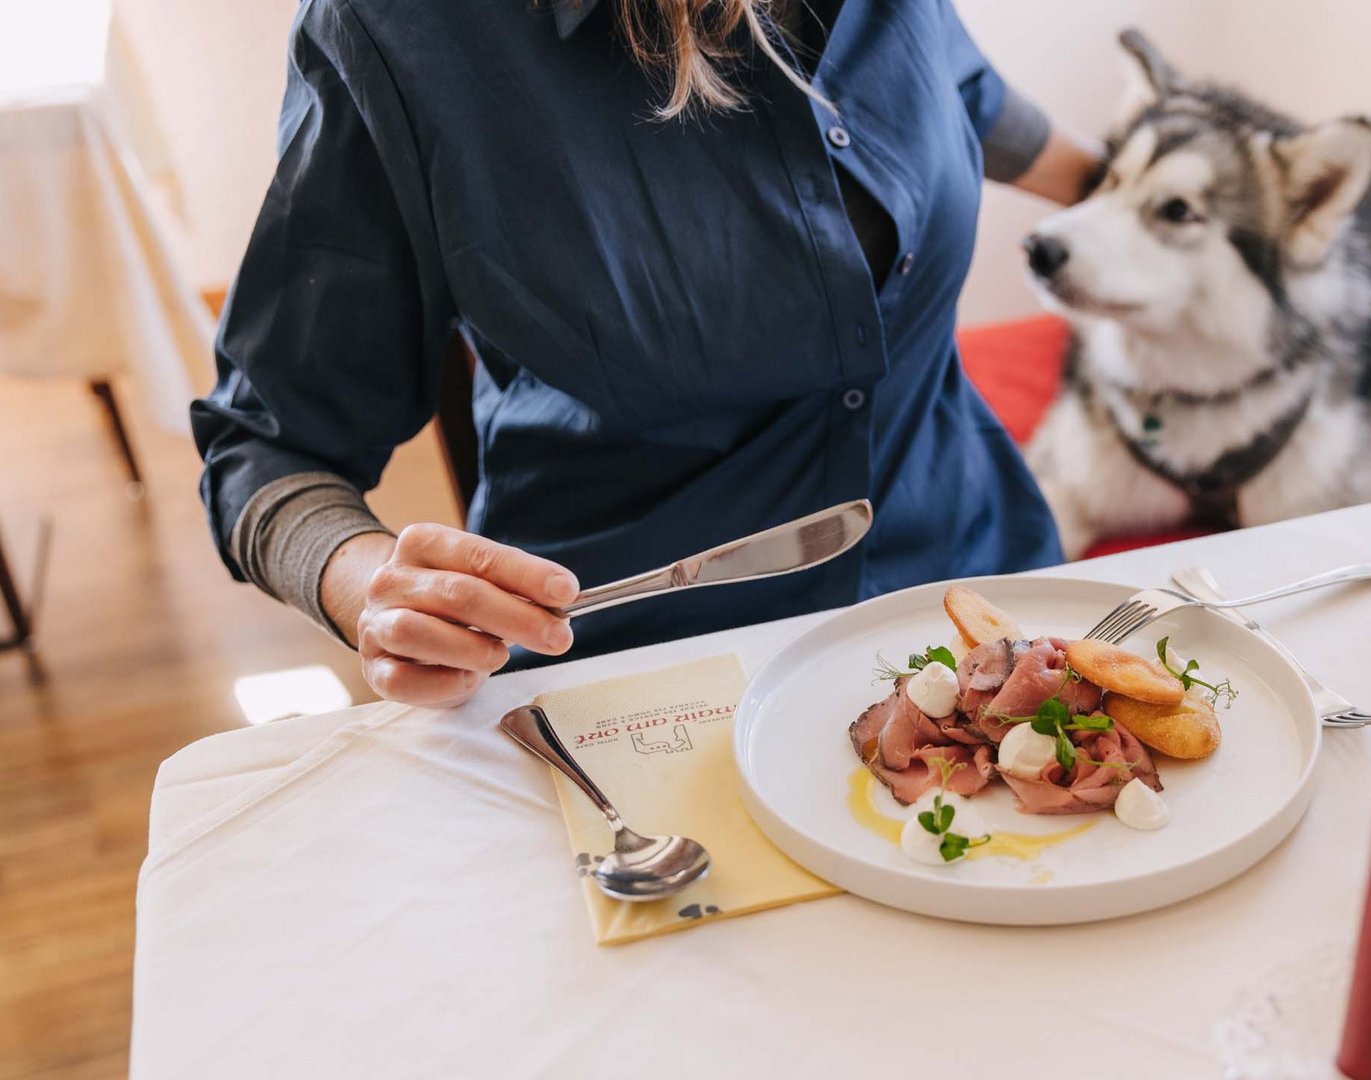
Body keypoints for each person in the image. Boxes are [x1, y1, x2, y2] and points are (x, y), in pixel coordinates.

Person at [193, 0, 1100, 707]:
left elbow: (960, 92)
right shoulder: (403, 34)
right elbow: (267, 447)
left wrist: (1152, 182)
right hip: (640, 689)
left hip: (982, 597)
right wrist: (372, 589)